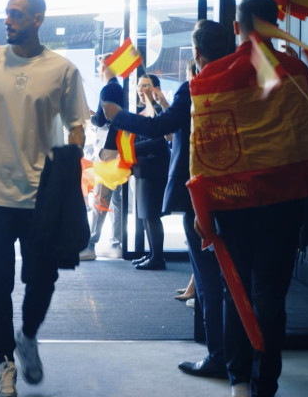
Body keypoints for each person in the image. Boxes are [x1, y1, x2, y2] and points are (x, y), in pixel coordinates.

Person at [0, 0, 88, 397]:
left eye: (16, 14)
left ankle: (27, 335)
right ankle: (5, 361)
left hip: (40, 198)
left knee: (42, 280)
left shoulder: (62, 69)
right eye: (6, 13)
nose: (8, 20)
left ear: (38, 19)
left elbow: (77, 126)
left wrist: (70, 166)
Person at [193, 0, 308, 397]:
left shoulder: (217, 73)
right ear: (275, 24)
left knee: (238, 290)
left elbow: (205, 150)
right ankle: (266, 381)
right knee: (272, 294)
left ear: (237, 27)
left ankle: (239, 380)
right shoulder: (298, 70)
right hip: (286, 200)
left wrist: (204, 209)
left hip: (235, 202)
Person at [103, 19, 234, 379]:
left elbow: (160, 128)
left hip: (199, 191)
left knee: (207, 276)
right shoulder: (242, 84)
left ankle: (219, 355)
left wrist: (120, 116)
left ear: (197, 52)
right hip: (237, 189)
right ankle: (239, 354)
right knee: (233, 277)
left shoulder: (197, 87)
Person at [79, 54, 125, 261]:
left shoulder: (109, 89)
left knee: (101, 197)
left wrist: (88, 114)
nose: (98, 70)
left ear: (105, 67)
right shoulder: (119, 88)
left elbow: (103, 119)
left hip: (109, 149)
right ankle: (116, 243)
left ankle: (90, 245)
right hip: (118, 149)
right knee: (116, 199)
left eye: (99, 66)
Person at [126, 74, 171, 270]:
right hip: (143, 169)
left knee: (152, 215)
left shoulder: (159, 112)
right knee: (145, 215)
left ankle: (157, 258)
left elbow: (160, 141)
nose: (141, 89)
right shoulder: (143, 112)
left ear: (155, 89)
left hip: (155, 169)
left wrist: (133, 150)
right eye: (139, 85)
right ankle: (152, 254)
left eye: (146, 85)